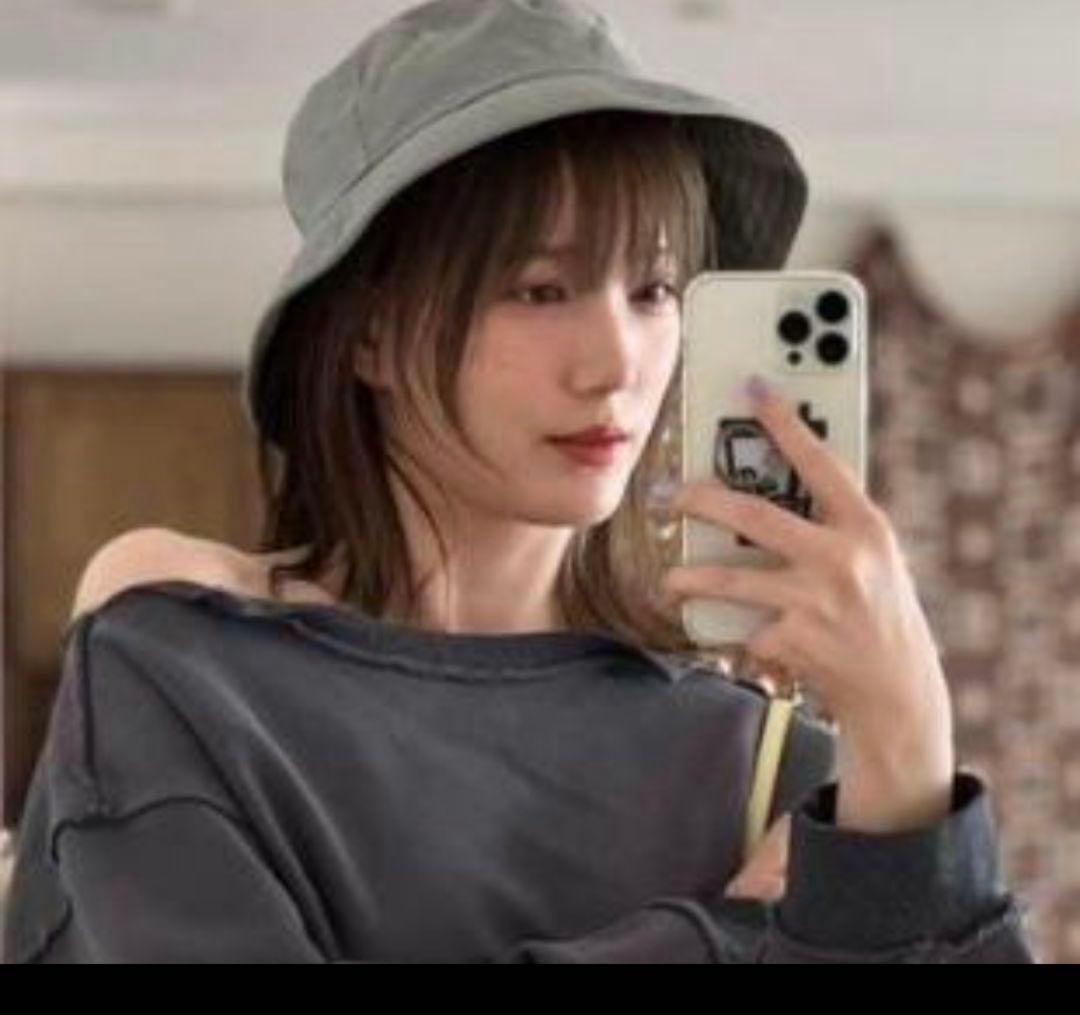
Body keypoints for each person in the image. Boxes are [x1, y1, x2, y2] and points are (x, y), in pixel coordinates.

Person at [2, 0, 1037, 963]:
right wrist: (732, 934)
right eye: (541, 289)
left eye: (654, 289)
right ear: (366, 333)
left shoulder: (766, 765)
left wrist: (909, 735)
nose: (616, 363)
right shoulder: (183, 671)